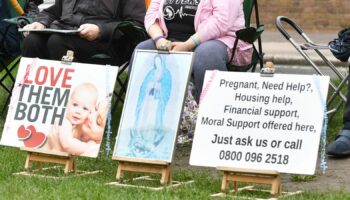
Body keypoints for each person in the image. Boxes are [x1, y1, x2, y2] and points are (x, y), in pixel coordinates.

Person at [132, 0, 252, 100]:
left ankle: (211, 116)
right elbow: (151, 15)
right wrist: (159, 40)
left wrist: (188, 45)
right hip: (169, 39)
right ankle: (140, 120)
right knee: (142, 51)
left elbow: (222, 21)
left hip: (218, 39)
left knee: (206, 55)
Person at [21, 0, 146, 63]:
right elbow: (54, 11)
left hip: (108, 42)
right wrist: (41, 22)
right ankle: (27, 102)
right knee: (32, 40)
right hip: (66, 31)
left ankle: (71, 104)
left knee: (56, 42)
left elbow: (136, 25)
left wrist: (100, 30)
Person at [45, 82, 108, 156]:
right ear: (67, 104)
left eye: (85, 108)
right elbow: (67, 144)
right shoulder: (64, 122)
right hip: (46, 153)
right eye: (75, 105)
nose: (78, 111)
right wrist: (88, 147)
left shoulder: (82, 127)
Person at [128, 54, 172, 157]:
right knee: (143, 117)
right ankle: (139, 136)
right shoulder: (151, 73)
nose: (157, 65)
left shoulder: (165, 74)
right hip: (146, 101)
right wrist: (149, 86)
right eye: (156, 63)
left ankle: (150, 138)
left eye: (159, 62)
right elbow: (143, 87)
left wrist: (159, 88)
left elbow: (166, 90)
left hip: (156, 102)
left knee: (152, 118)